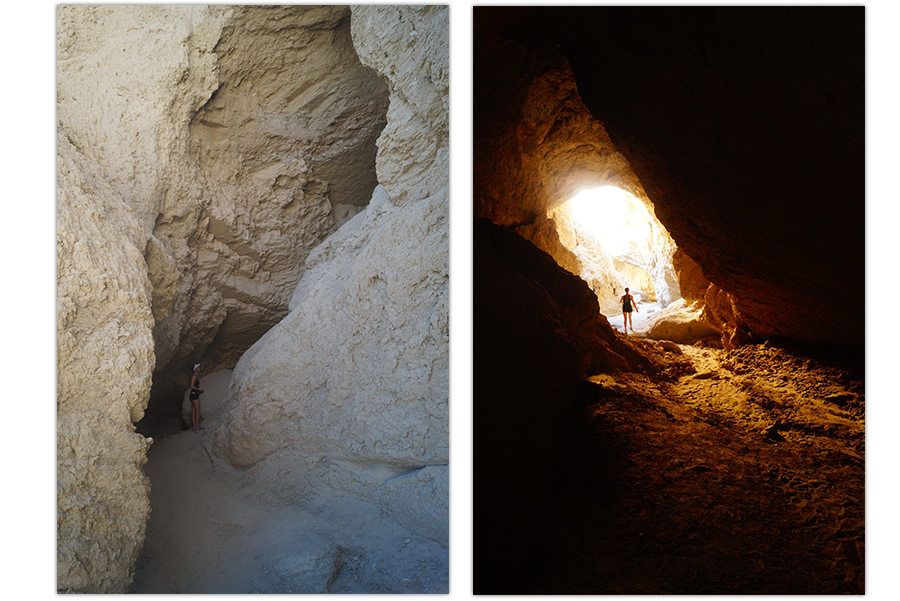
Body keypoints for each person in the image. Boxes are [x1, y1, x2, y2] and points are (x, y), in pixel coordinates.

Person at [189, 363, 205, 432]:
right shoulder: (194, 376)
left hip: (193, 395)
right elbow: (192, 386)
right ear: (196, 369)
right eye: (198, 367)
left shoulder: (194, 376)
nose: (199, 368)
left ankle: (195, 428)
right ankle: (197, 427)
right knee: (197, 411)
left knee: (194, 412)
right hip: (194, 395)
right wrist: (199, 389)